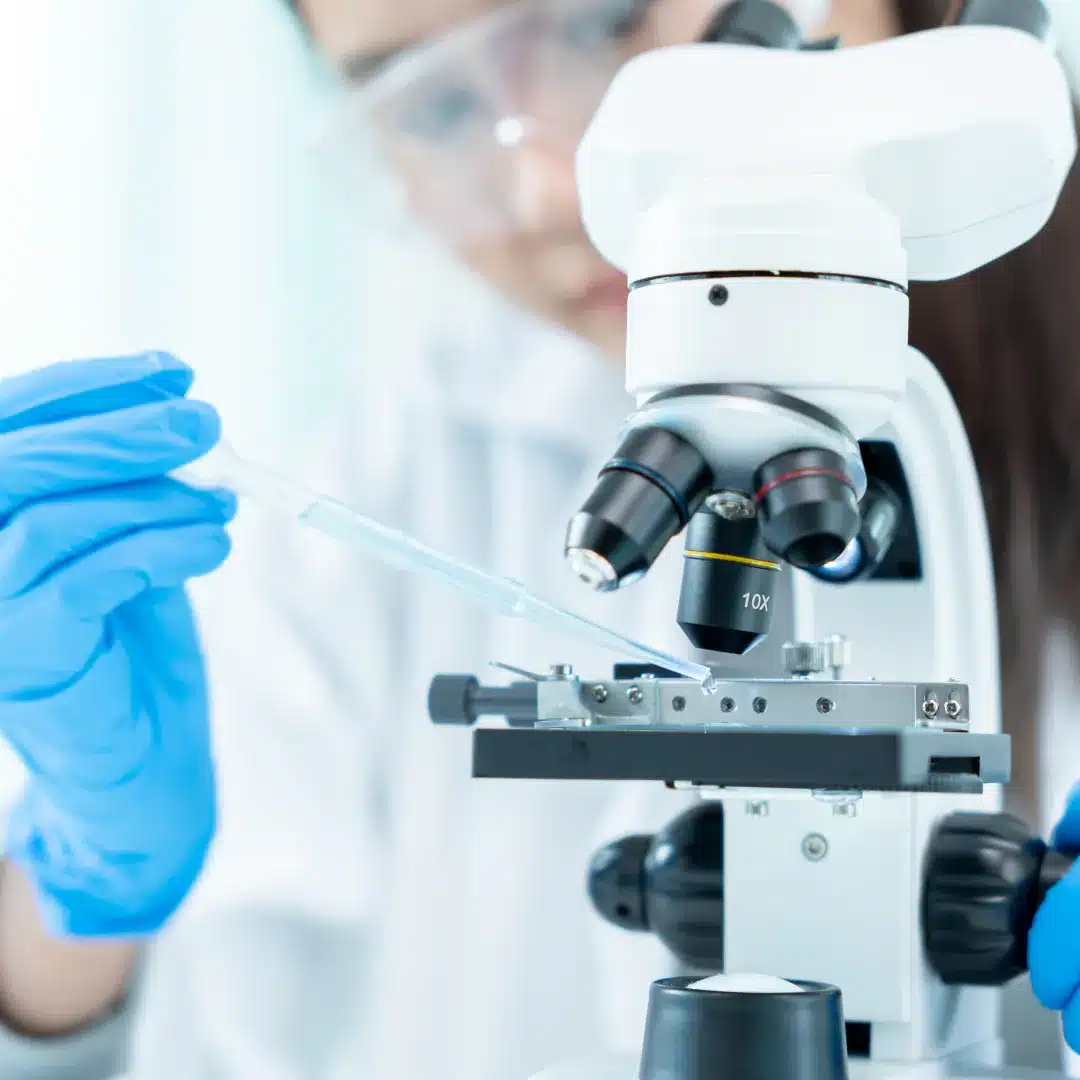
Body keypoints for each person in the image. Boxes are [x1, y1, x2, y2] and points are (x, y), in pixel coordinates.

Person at [0, 0, 1078, 1077]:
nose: (548, 189)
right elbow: (101, 978)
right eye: (439, 105)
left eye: (602, 25)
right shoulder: (404, 463)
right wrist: (94, 866)